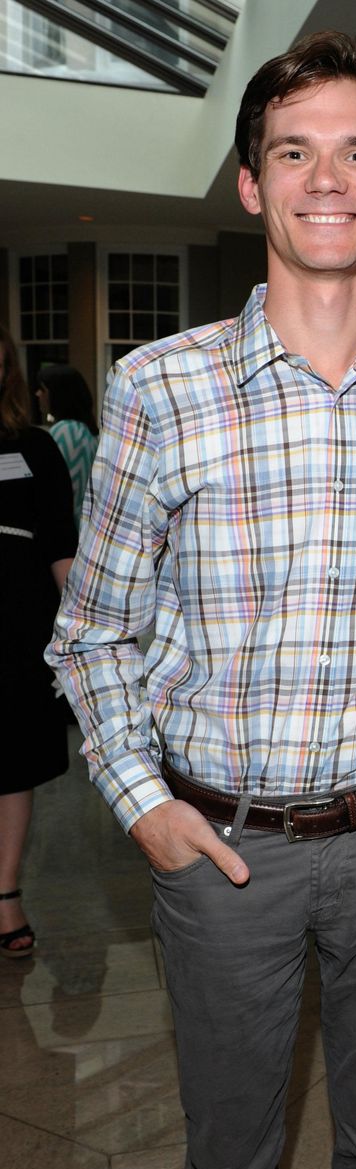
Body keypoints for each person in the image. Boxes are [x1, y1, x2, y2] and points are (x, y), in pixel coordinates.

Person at [48, 30, 356, 1169]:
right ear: (250, 183)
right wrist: (144, 806)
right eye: (294, 153)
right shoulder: (159, 390)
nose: (326, 178)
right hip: (222, 848)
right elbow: (93, 634)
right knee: (231, 1168)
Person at [0, 325, 76, 958]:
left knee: (11, 764)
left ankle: (5, 897)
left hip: (18, 625)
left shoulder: (35, 447)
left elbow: (59, 544)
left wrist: (87, 631)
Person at [35, 364, 99, 528]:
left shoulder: (67, 431)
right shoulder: (85, 430)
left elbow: (53, 489)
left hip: (69, 528)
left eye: (42, 389)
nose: (38, 394)